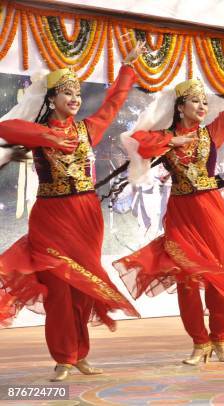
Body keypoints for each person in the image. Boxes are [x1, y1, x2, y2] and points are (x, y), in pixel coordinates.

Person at [114, 47, 224, 366]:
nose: (202, 106)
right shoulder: (163, 136)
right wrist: (169, 142)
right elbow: (136, 142)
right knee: (187, 278)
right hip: (180, 213)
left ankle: (220, 340)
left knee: (217, 276)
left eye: (205, 102)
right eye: (196, 101)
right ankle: (199, 342)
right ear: (180, 106)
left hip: (210, 211)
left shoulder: (211, 133)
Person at [0, 43, 146, 381]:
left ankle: (80, 355)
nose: (76, 99)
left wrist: (126, 67)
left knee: (82, 288)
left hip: (85, 216)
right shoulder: (38, 133)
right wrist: (48, 138)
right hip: (51, 217)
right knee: (58, 290)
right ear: (52, 99)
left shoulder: (86, 130)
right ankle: (63, 357)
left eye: (78, 93)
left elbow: (113, 103)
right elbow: (6, 128)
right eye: (68, 93)